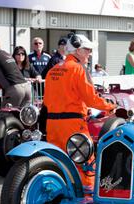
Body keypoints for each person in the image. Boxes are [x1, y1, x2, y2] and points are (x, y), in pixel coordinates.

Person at [43, 34, 116, 188]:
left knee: (57, 164)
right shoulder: (78, 69)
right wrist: (111, 106)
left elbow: (48, 101)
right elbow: (91, 99)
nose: (89, 54)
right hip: (73, 126)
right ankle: (88, 202)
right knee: (85, 165)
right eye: (87, 50)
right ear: (77, 51)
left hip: (52, 126)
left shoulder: (53, 70)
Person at [0, 36, 31, 107]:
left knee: (6, 115)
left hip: (15, 90)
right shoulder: (6, 54)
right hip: (26, 88)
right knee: (23, 116)